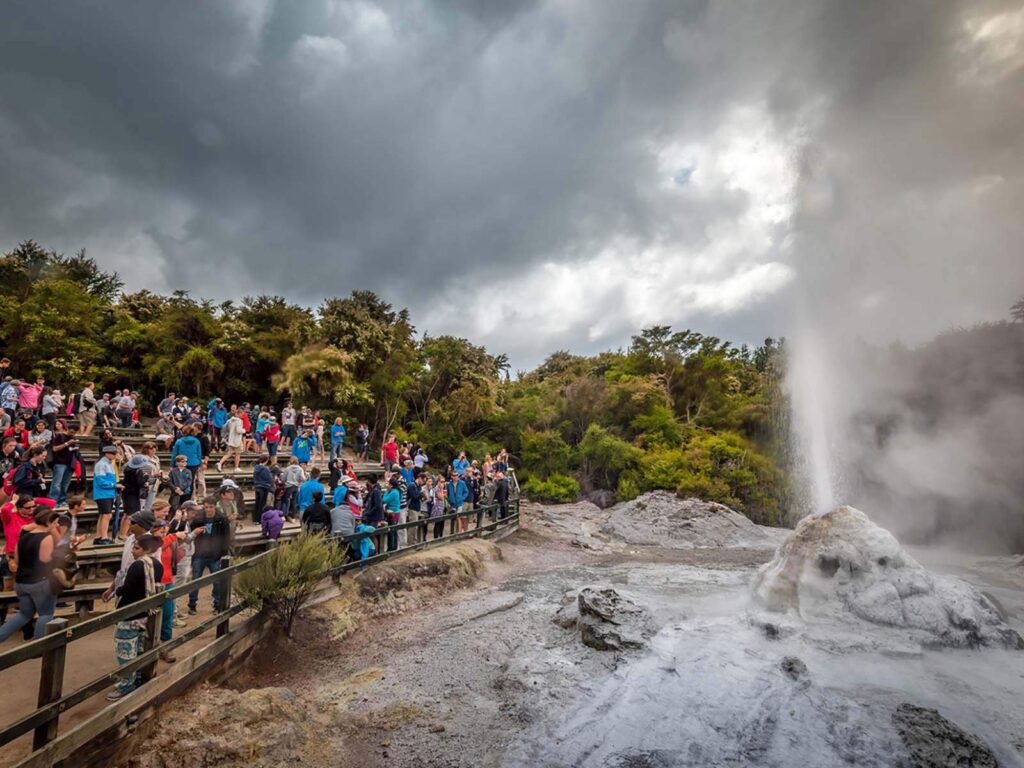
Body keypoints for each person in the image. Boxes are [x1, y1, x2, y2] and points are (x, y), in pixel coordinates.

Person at [107, 533, 163, 700]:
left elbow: (128, 588)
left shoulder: (137, 566)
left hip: (130, 612)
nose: (133, 550)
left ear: (146, 550)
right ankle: (138, 678)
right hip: (146, 612)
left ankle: (126, 684)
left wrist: (118, 590)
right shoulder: (157, 564)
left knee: (125, 652)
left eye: (136, 547)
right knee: (138, 648)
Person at [0, 506, 59, 642]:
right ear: (48, 522)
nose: (56, 525)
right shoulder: (46, 537)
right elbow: (45, 559)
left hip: (21, 582)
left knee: (24, 614)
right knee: (46, 614)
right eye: (55, 523)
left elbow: (18, 560)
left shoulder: (23, 538)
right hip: (39, 582)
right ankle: (38, 646)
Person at [188, 497, 230, 615]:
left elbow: (226, 538)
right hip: (199, 554)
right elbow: (192, 533)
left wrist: (223, 554)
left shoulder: (221, 519)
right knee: (195, 580)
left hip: (215, 555)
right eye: (206, 507)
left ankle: (217, 603)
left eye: (211, 507)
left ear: (215, 506)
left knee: (217, 581)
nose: (208, 510)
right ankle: (192, 604)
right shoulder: (198, 518)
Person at [1, 495, 37, 591]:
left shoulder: (35, 519)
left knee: (26, 589)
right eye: (28, 507)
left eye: (33, 507)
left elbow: (51, 503)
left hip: (30, 559)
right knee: (9, 588)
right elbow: (4, 510)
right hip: (11, 558)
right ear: (19, 508)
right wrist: (14, 501)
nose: (32, 509)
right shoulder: (10, 518)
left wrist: (34, 499)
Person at [92, 444, 119, 544]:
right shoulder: (101, 464)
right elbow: (101, 481)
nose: (115, 455)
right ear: (107, 454)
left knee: (103, 515)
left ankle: (99, 536)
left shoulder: (109, 464)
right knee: (106, 515)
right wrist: (115, 485)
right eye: (114, 453)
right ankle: (104, 537)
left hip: (108, 493)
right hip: (103, 494)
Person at [47, 420, 79, 505]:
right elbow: (54, 449)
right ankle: (53, 500)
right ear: (67, 429)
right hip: (59, 463)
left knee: (66, 483)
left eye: (74, 433)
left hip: (70, 463)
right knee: (56, 483)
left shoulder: (74, 438)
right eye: (71, 431)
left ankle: (62, 499)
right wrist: (67, 444)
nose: (72, 434)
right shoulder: (59, 436)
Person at [253, 456, 274, 525]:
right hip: (264, 487)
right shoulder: (265, 469)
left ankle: (255, 519)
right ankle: (259, 519)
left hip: (257, 486)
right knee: (262, 504)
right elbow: (270, 479)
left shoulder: (256, 467)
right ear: (266, 460)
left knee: (257, 503)